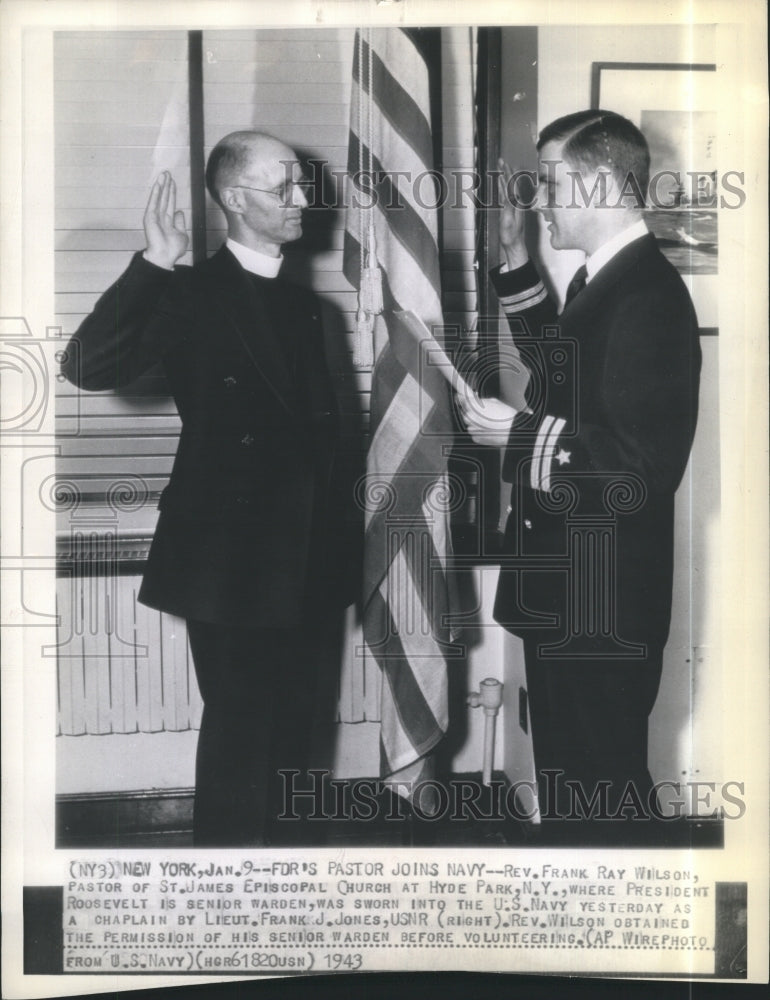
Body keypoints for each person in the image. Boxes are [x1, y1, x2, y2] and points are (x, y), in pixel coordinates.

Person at [62, 131, 352, 846]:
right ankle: (225, 891)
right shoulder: (187, 291)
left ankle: (286, 895)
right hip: (229, 555)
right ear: (232, 198)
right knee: (242, 739)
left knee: (297, 738)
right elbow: (88, 366)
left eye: (302, 185)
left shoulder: (311, 309)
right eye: (282, 186)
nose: (302, 200)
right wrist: (155, 262)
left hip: (307, 554)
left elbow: (326, 448)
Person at [458, 110, 701, 838]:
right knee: (575, 786)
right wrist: (516, 270)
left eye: (552, 184)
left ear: (597, 184)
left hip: (601, 606)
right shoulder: (609, 281)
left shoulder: (650, 298)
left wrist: (519, 432)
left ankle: (625, 941)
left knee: (601, 792)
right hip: (569, 592)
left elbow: (640, 465)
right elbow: (569, 377)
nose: (540, 201)